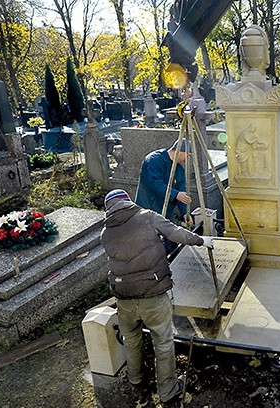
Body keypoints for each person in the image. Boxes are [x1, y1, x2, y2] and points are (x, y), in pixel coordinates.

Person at [100, 189, 214, 405]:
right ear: (128, 202)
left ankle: (137, 383)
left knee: (131, 339)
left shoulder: (105, 233)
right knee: (162, 341)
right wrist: (202, 240)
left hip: (123, 296)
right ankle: (168, 390)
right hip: (152, 292)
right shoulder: (148, 217)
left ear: (108, 208)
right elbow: (177, 234)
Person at [135, 139, 193, 254]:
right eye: (188, 155)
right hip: (149, 208)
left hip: (167, 212)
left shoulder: (179, 169)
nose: (188, 159)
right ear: (181, 151)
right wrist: (175, 194)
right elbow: (154, 183)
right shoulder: (153, 160)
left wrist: (184, 212)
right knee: (152, 244)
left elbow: (181, 191)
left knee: (172, 241)